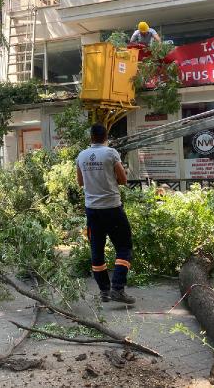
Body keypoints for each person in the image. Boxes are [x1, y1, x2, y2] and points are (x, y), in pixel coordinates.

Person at [76, 124, 135, 304]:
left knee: (97, 250)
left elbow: (80, 182)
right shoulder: (111, 153)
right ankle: (118, 288)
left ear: (91, 137)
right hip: (112, 208)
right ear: (106, 136)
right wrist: (110, 179)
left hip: (92, 210)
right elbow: (123, 179)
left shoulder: (81, 156)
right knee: (124, 247)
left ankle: (104, 291)